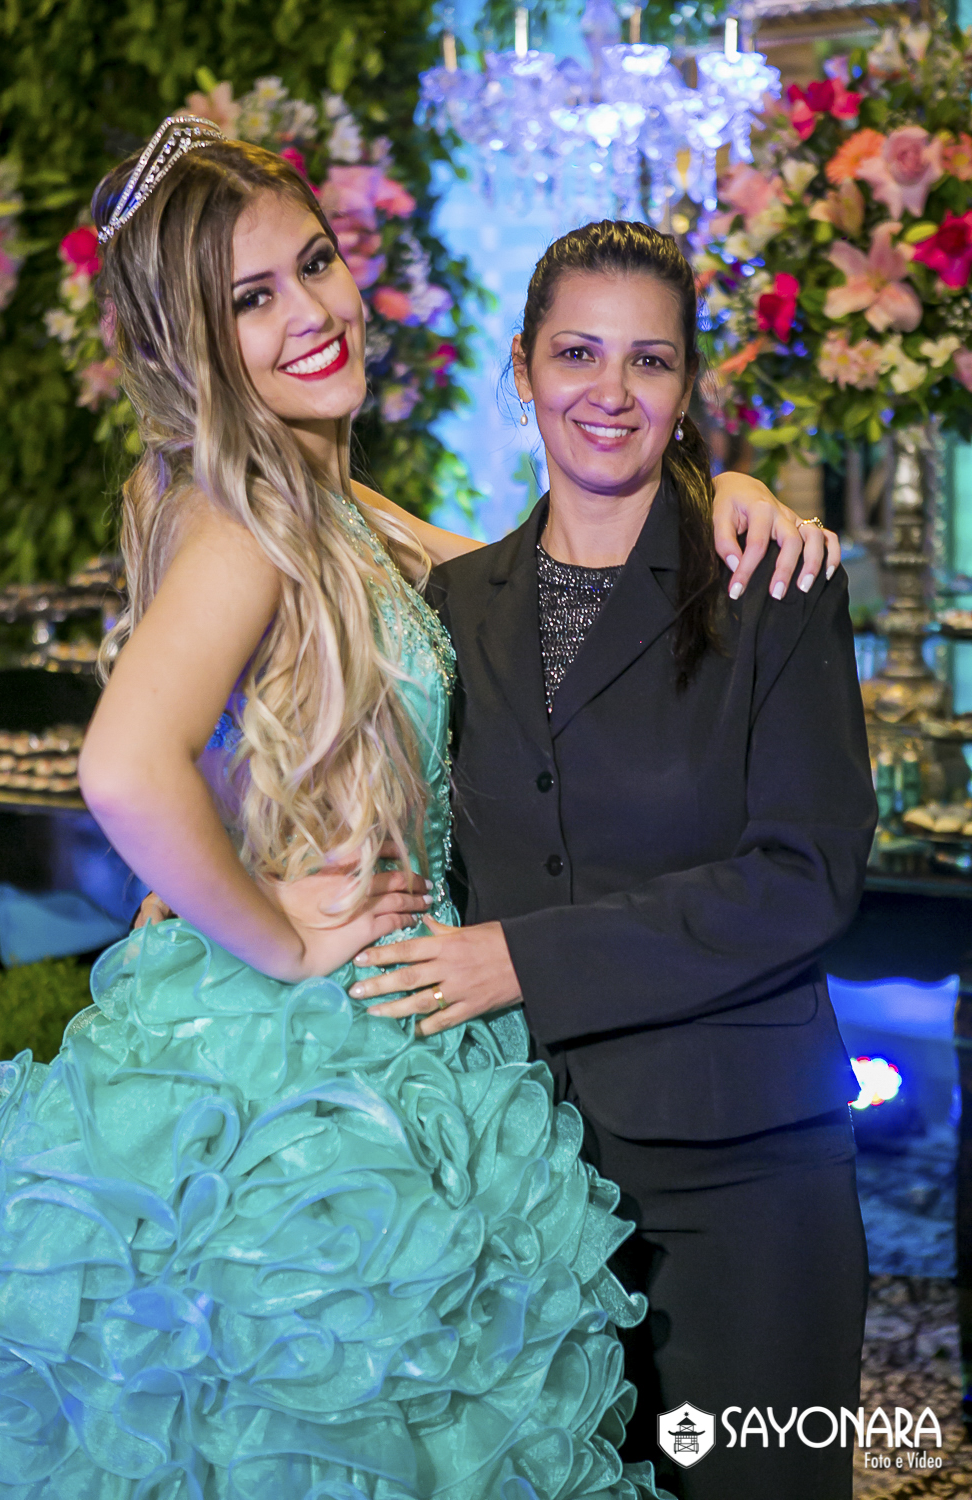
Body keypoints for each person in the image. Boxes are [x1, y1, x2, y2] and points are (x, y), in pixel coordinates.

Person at [0, 118, 832, 1498]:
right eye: (250, 299)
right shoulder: (241, 517)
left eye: (314, 262)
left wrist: (715, 485)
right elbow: (125, 768)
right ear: (192, 340)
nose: (311, 312)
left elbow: (553, 562)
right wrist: (275, 931)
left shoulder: (333, 506)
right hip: (307, 1062)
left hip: (410, 1032)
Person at [348, 221, 877, 1500]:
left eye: (650, 360)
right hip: (523, 1174)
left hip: (740, 1171)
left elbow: (803, 875)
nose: (611, 391)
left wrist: (523, 960)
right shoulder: (457, 603)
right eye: (577, 353)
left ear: (688, 386)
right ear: (521, 368)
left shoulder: (770, 582)